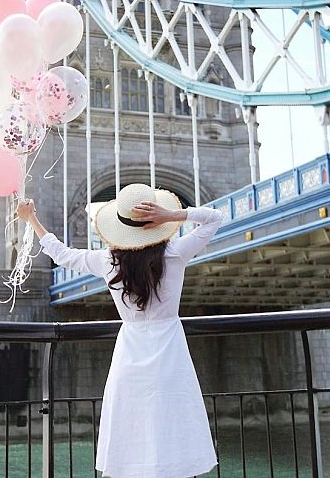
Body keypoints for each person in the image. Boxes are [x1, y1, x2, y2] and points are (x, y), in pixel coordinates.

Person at [17, 182, 223, 478]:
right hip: (171, 354)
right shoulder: (176, 253)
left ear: (120, 225)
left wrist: (31, 219)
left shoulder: (108, 261)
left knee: (132, 429)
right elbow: (215, 218)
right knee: (172, 427)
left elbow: (61, 255)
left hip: (130, 354)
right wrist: (169, 215)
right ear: (154, 224)